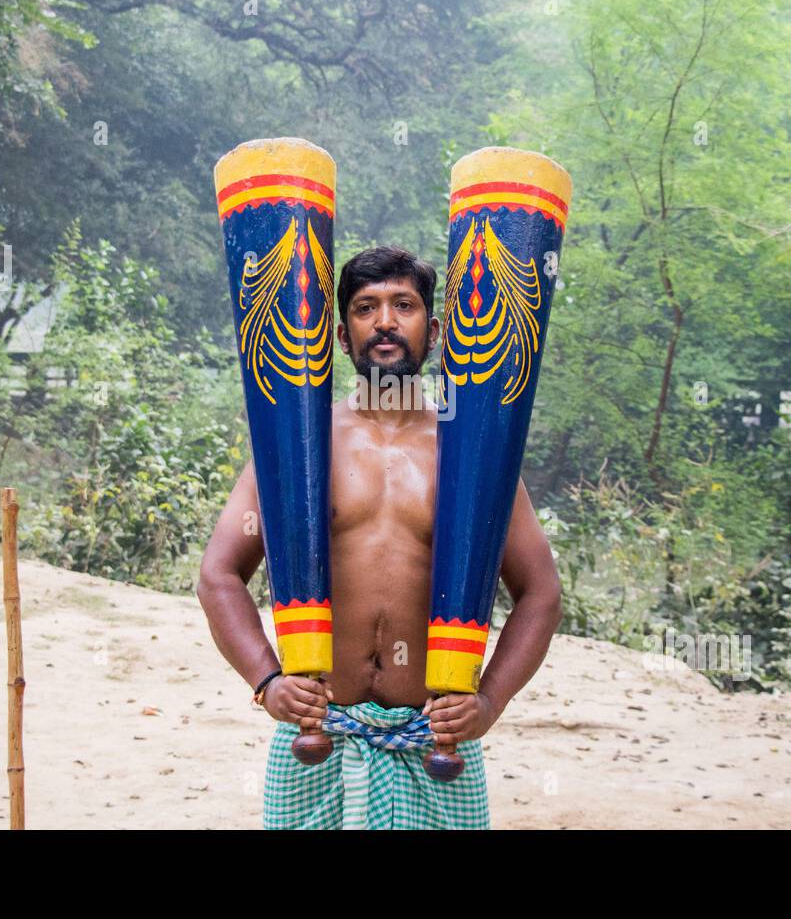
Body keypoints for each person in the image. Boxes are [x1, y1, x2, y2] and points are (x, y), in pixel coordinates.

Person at [197, 245, 562, 829]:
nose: (385, 321)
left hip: (436, 744)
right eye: (366, 307)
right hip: (317, 736)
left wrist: (489, 701)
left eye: (404, 305)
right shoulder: (302, 443)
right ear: (342, 336)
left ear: (437, 330)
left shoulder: (471, 451)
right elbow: (219, 574)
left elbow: (541, 594)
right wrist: (266, 683)